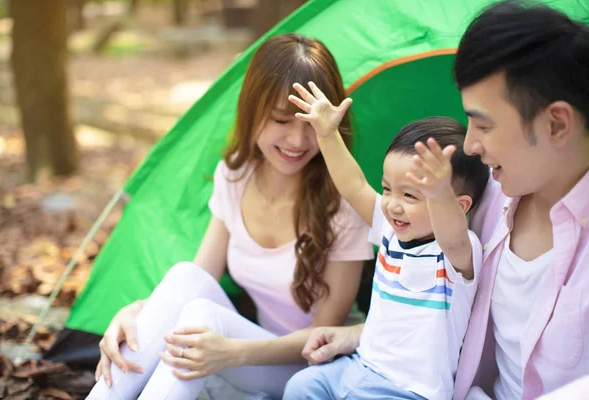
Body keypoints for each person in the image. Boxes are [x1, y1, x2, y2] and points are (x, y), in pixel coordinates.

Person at [286, 1, 589, 399]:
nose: (471, 145)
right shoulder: (493, 195)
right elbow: (359, 191)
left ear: (556, 124)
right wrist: (356, 335)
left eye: (482, 124)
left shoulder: (455, 204)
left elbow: (450, 237)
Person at [86, 33, 373, 400]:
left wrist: (230, 353)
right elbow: (195, 280)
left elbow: (325, 336)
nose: (298, 141)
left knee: (202, 320)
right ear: (252, 112)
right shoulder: (235, 177)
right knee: (186, 280)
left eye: (312, 125)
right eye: (282, 120)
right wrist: (136, 313)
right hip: (250, 354)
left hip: (310, 369)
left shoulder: (342, 205)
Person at [284, 79, 489, 400]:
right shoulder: (391, 229)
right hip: (358, 366)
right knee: (300, 386)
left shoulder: (456, 252)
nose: (393, 203)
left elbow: (453, 235)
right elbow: (353, 186)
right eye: (388, 188)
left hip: (409, 391)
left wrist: (438, 195)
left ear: (459, 205)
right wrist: (327, 135)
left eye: (411, 195)